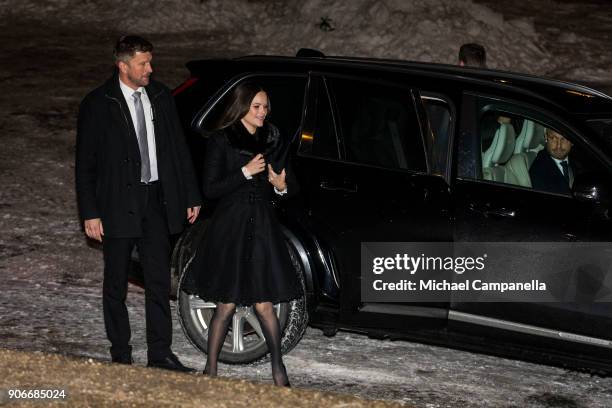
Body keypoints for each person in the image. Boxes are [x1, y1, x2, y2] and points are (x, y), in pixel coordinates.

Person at [75, 35, 202, 371]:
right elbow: (85, 164)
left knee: (158, 280)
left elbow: (178, 149)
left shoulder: (160, 95)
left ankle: (160, 353)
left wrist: (189, 194)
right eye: (143, 63)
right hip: (116, 203)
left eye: (150, 62)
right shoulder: (99, 103)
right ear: (123, 65)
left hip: (155, 200)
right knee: (115, 282)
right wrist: (90, 212)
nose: (150, 69)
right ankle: (121, 353)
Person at [191, 82, 301, 386]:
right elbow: (210, 189)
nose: (262, 112)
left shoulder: (273, 139)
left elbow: (288, 185)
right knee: (226, 303)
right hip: (233, 226)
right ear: (241, 108)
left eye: (266, 107)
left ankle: (279, 370)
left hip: (263, 226)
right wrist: (244, 172)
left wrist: (281, 186)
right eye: (256, 107)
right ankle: (210, 369)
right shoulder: (222, 139)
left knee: (264, 303)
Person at [529, 128, 574, 194]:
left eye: (564, 139)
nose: (559, 145)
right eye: (553, 138)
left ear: (572, 141)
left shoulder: (579, 162)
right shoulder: (539, 171)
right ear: (546, 137)